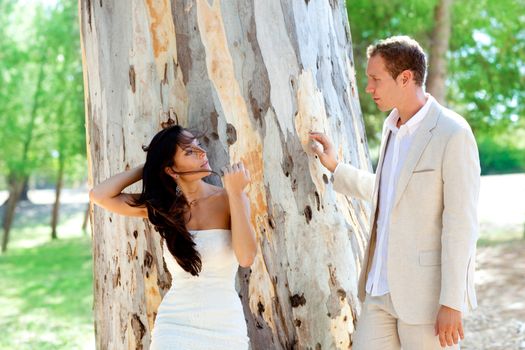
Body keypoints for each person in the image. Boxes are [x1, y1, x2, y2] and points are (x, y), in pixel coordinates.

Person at [309, 36, 480, 350]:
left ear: (406, 78)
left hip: (425, 297)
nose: (369, 88)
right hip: (378, 288)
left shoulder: (453, 134)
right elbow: (389, 193)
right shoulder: (392, 129)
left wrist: (453, 302)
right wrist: (336, 167)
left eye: (376, 79)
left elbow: (461, 225)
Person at [89, 124, 256, 349]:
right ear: (171, 170)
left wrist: (235, 193)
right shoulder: (165, 208)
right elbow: (99, 195)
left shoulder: (229, 199)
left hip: (225, 327)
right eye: (189, 152)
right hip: (174, 329)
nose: (202, 153)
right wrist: (150, 166)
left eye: (198, 146)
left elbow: (246, 258)